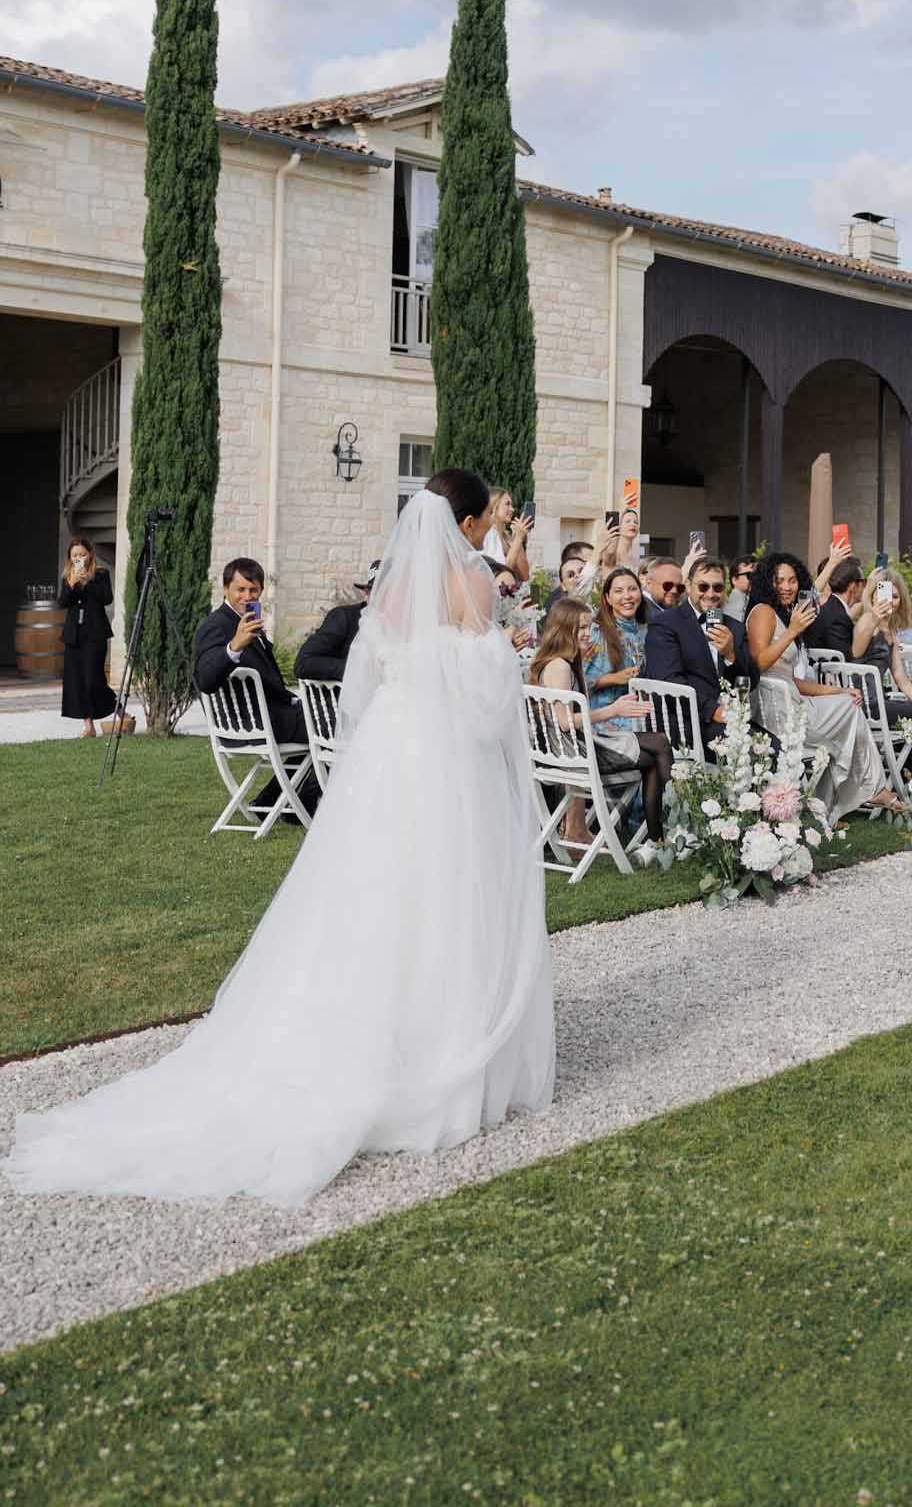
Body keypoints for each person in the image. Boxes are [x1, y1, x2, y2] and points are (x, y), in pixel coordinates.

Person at [4, 470, 555, 1207]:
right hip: (448, 760)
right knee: (447, 890)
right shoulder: (477, 590)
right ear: (466, 522)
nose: (491, 529)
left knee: (367, 891)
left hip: (390, 758)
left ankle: (354, 1028)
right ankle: (439, 1054)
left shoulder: (388, 593)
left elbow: (367, 684)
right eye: (486, 518)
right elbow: (490, 701)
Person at [743, 553, 898, 821]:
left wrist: (837, 690)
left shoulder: (780, 614)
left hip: (790, 706)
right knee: (851, 710)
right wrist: (792, 632)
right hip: (781, 717)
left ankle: (848, 797)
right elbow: (757, 665)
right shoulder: (763, 613)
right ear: (767, 583)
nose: (787, 587)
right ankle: (868, 790)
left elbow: (791, 680)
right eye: (779, 581)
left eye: (792, 580)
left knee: (849, 702)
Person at [529, 598, 671, 842]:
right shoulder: (559, 667)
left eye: (589, 627)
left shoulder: (562, 663)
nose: (588, 634)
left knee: (657, 748)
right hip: (576, 754)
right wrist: (613, 710)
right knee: (658, 746)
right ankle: (665, 833)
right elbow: (564, 722)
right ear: (564, 628)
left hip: (570, 750)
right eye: (582, 628)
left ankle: (657, 838)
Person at [193, 556, 320, 818]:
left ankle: (276, 803)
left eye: (253, 590)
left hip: (268, 717)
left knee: (324, 719)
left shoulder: (250, 621)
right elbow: (205, 680)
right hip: (247, 724)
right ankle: (304, 802)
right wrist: (233, 647)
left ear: (261, 590)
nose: (247, 596)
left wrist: (294, 700)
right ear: (226, 588)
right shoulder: (216, 625)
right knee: (333, 726)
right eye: (240, 589)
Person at [643, 555, 757, 749]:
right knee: (753, 753)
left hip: (729, 722)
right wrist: (713, 710)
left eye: (718, 588)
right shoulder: (665, 624)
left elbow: (752, 680)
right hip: (684, 722)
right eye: (703, 587)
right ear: (688, 586)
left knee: (777, 749)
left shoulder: (734, 627)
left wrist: (731, 655)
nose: (711, 594)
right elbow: (668, 682)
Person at [813, 559, 912, 733]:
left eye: (895, 596)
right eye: (885, 595)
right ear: (872, 596)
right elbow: (855, 654)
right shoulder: (867, 620)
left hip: (879, 703)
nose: (890, 601)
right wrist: (875, 618)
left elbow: (900, 676)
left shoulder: (891, 631)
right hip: (864, 706)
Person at [56, 535, 117, 737]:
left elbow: (106, 598)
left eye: (82, 554)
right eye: (75, 555)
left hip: (95, 634)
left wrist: (87, 581)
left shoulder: (100, 574)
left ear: (90, 555)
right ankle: (88, 725)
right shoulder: (67, 577)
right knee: (78, 681)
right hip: (74, 636)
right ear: (69, 557)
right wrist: (73, 583)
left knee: (94, 679)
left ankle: (118, 707)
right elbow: (62, 602)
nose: (78, 558)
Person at [295, 560, 377, 684]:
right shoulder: (344, 617)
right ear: (367, 591)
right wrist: (358, 669)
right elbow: (304, 663)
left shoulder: (405, 627)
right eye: (380, 591)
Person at [586, 568, 651, 722]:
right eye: (618, 591)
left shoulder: (646, 630)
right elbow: (579, 679)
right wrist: (613, 678)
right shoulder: (596, 631)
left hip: (643, 709)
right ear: (608, 598)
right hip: (606, 715)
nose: (627, 596)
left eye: (633, 589)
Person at [481, 487, 532, 583]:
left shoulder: (508, 537)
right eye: (507, 504)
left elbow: (524, 576)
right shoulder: (489, 534)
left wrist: (517, 539)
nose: (512, 509)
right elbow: (501, 571)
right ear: (494, 506)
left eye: (511, 505)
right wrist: (518, 539)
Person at [724, 555, 757, 623]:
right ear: (734, 580)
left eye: (756, 574)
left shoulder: (752, 599)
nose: (754, 578)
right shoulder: (735, 603)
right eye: (749, 575)